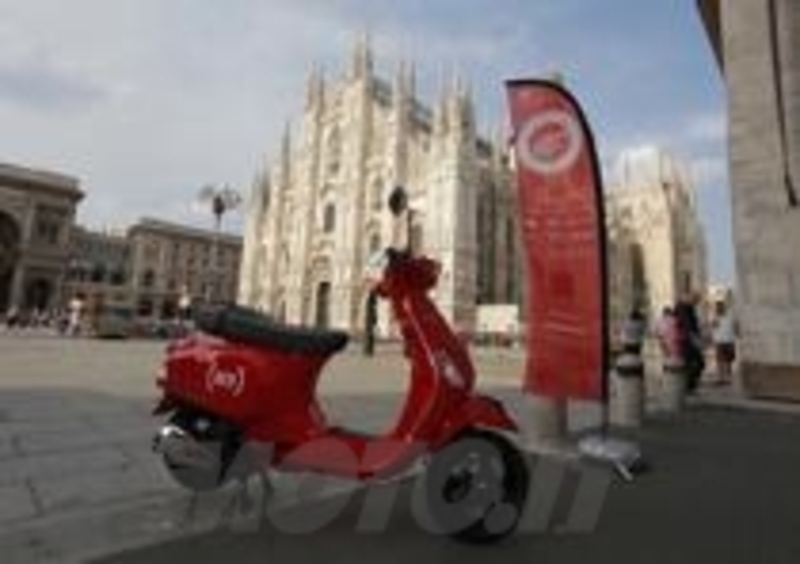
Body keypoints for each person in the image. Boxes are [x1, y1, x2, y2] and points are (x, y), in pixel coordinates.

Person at [674, 291, 705, 393]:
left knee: (696, 363)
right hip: (687, 341)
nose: (696, 302)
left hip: (689, 340)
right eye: (695, 300)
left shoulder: (688, 308)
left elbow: (692, 325)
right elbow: (687, 326)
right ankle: (688, 386)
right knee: (694, 363)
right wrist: (695, 339)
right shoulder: (683, 308)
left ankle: (689, 385)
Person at [711, 301, 737, 386]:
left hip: (728, 340)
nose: (718, 309)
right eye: (717, 308)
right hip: (720, 341)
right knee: (720, 361)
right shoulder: (716, 317)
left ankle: (727, 377)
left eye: (720, 307)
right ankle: (721, 377)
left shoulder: (730, 316)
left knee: (728, 360)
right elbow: (713, 326)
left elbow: (735, 326)